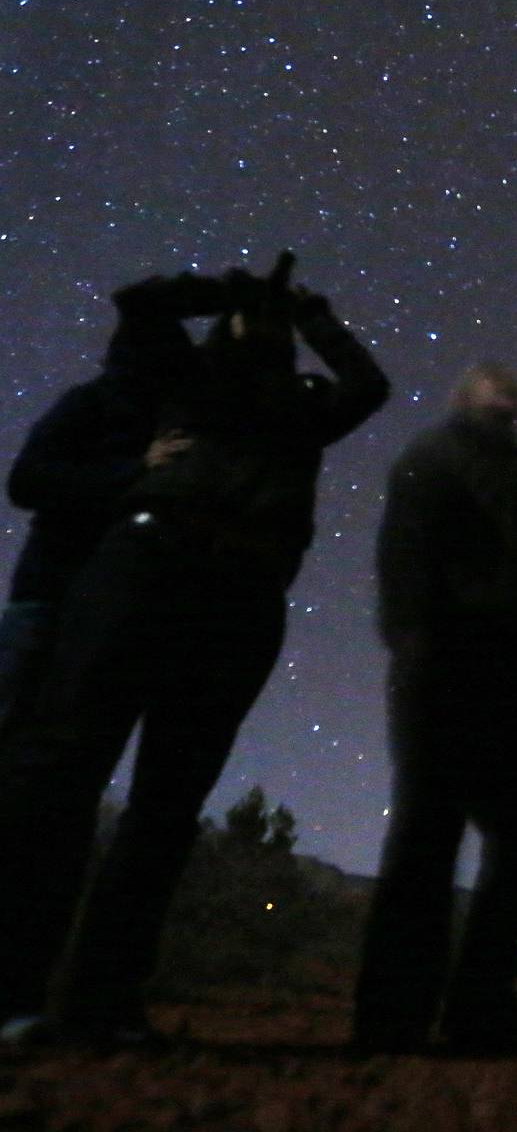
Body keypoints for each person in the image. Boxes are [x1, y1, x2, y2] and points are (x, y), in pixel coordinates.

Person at [0, 255, 389, 1045]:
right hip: (146, 567)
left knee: (167, 810)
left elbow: (370, 385)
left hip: (242, 599)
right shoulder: (182, 375)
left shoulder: (307, 403)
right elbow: (139, 303)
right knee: (65, 774)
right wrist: (229, 293)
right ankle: (13, 994)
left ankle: (103, 1003)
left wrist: (309, 312)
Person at [355, 363, 517, 1055]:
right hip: (451, 664)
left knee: (515, 846)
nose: (507, 395)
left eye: (512, 388)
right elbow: (404, 556)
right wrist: (414, 642)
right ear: (464, 396)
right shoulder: (432, 460)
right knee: (428, 835)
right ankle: (393, 1017)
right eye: (492, 385)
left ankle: (481, 1008)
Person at [0, 291, 195, 741]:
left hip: (104, 605)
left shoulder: (164, 424)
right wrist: (134, 469)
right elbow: (26, 481)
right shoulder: (90, 403)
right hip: (48, 595)